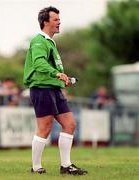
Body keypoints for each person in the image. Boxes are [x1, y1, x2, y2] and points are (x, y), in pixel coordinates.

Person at [23, 6, 87, 175]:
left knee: (70, 124)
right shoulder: (39, 40)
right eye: (56, 19)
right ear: (46, 22)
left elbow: (49, 68)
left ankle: (66, 166)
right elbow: (38, 63)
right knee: (44, 128)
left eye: (59, 19)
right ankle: (36, 167)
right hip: (41, 89)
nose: (59, 22)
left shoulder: (50, 42)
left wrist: (62, 79)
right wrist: (56, 73)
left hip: (53, 89)